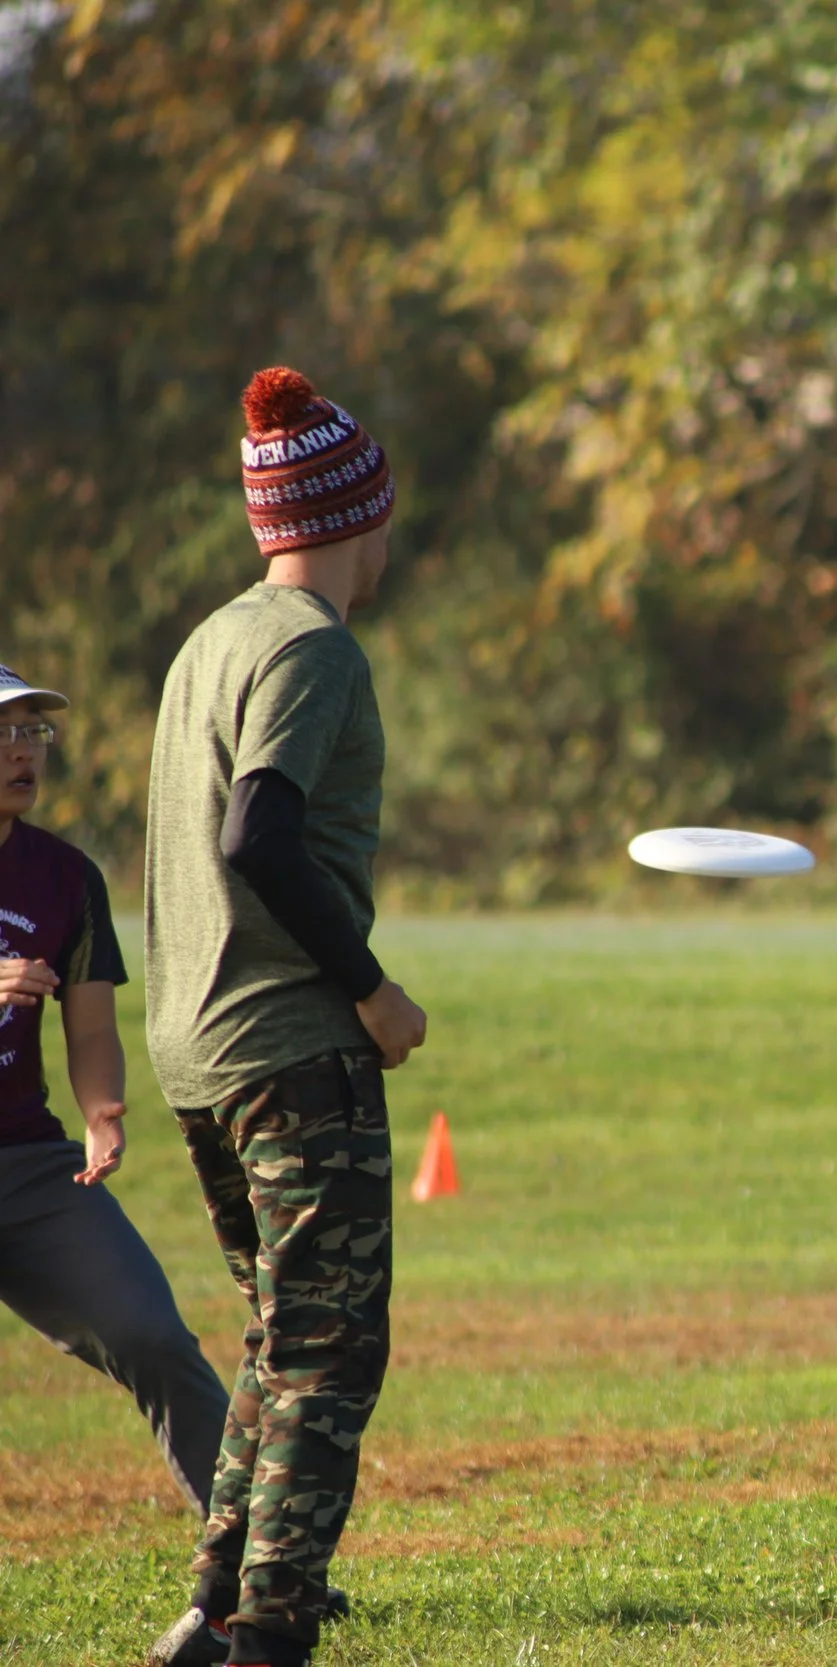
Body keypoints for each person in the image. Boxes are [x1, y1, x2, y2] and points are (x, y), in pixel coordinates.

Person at [143, 368, 428, 1667]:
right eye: (380, 515)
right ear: (351, 514)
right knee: (327, 1354)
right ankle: (270, 1632)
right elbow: (260, 828)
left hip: (197, 1048)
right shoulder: (313, 645)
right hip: (290, 1042)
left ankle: (214, 1607)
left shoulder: (211, 637)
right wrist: (366, 982)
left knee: (277, 1334)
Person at [0, 666, 233, 1512]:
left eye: (34, 731)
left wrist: (101, 1114)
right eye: (3, 733)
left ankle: (261, 1566)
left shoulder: (66, 877)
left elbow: (91, 1028)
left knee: (155, 1335)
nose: (22, 750)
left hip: (26, 1163)